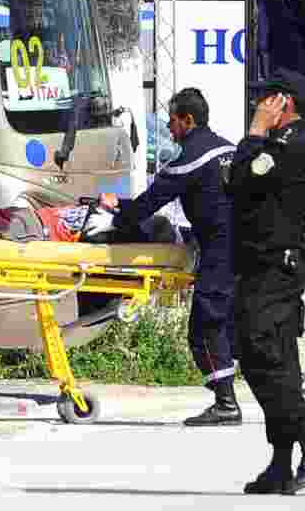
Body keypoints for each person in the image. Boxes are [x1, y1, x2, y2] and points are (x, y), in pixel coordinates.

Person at [92, 88, 240, 426]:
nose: (169, 128)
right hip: (243, 246)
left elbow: (152, 201)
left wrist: (116, 217)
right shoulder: (229, 149)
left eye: (172, 121)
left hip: (219, 251)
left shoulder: (190, 158)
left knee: (204, 326)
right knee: (234, 322)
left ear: (187, 120)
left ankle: (226, 403)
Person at [226, 69, 305, 494]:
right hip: (265, 268)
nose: (259, 107)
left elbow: (238, 180)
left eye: (266, 99)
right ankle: (281, 462)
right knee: (273, 361)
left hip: (274, 270)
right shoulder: (281, 145)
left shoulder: (289, 146)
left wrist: (254, 132)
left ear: (283, 103)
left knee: (263, 356)